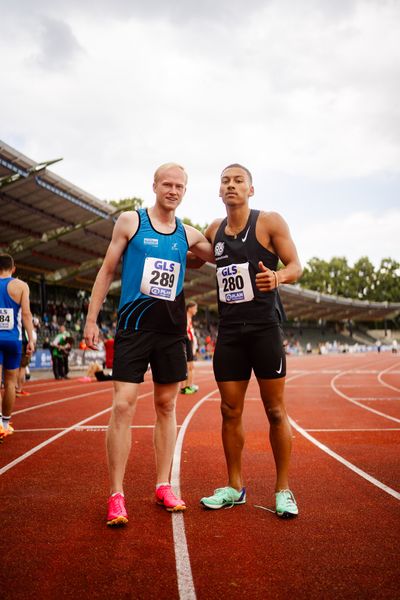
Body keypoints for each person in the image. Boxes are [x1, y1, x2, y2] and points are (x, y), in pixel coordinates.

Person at [84, 163, 213, 526]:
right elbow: (107, 271)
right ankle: (116, 494)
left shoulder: (188, 234)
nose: (173, 190)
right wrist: (91, 319)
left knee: (167, 404)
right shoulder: (131, 222)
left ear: (185, 191)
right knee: (123, 404)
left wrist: (225, 230)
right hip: (133, 327)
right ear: (154, 185)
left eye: (179, 186)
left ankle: (162, 485)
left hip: (171, 331)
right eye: (167, 184)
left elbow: (218, 255)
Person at [200, 164, 303, 518]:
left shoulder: (269, 222)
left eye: (238, 181)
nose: (231, 186)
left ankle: (283, 490)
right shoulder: (214, 230)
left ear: (250, 189)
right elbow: (192, 258)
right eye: (225, 181)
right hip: (229, 332)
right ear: (219, 191)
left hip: (264, 329)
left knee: (275, 410)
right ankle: (234, 486)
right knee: (229, 410)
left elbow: (296, 266)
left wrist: (277, 277)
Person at [0, 254, 35, 440]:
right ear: (13, 269)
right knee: (10, 383)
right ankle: (5, 423)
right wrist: (31, 339)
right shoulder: (21, 286)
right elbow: (27, 315)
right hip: (13, 339)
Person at [180, 301, 199, 394]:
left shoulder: (189, 318)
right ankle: (187, 386)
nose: (196, 310)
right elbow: (185, 332)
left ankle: (187, 386)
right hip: (187, 342)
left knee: (189, 366)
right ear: (190, 308)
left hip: (189, 342)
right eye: (195, 308)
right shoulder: (186, 317)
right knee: (189, 366)